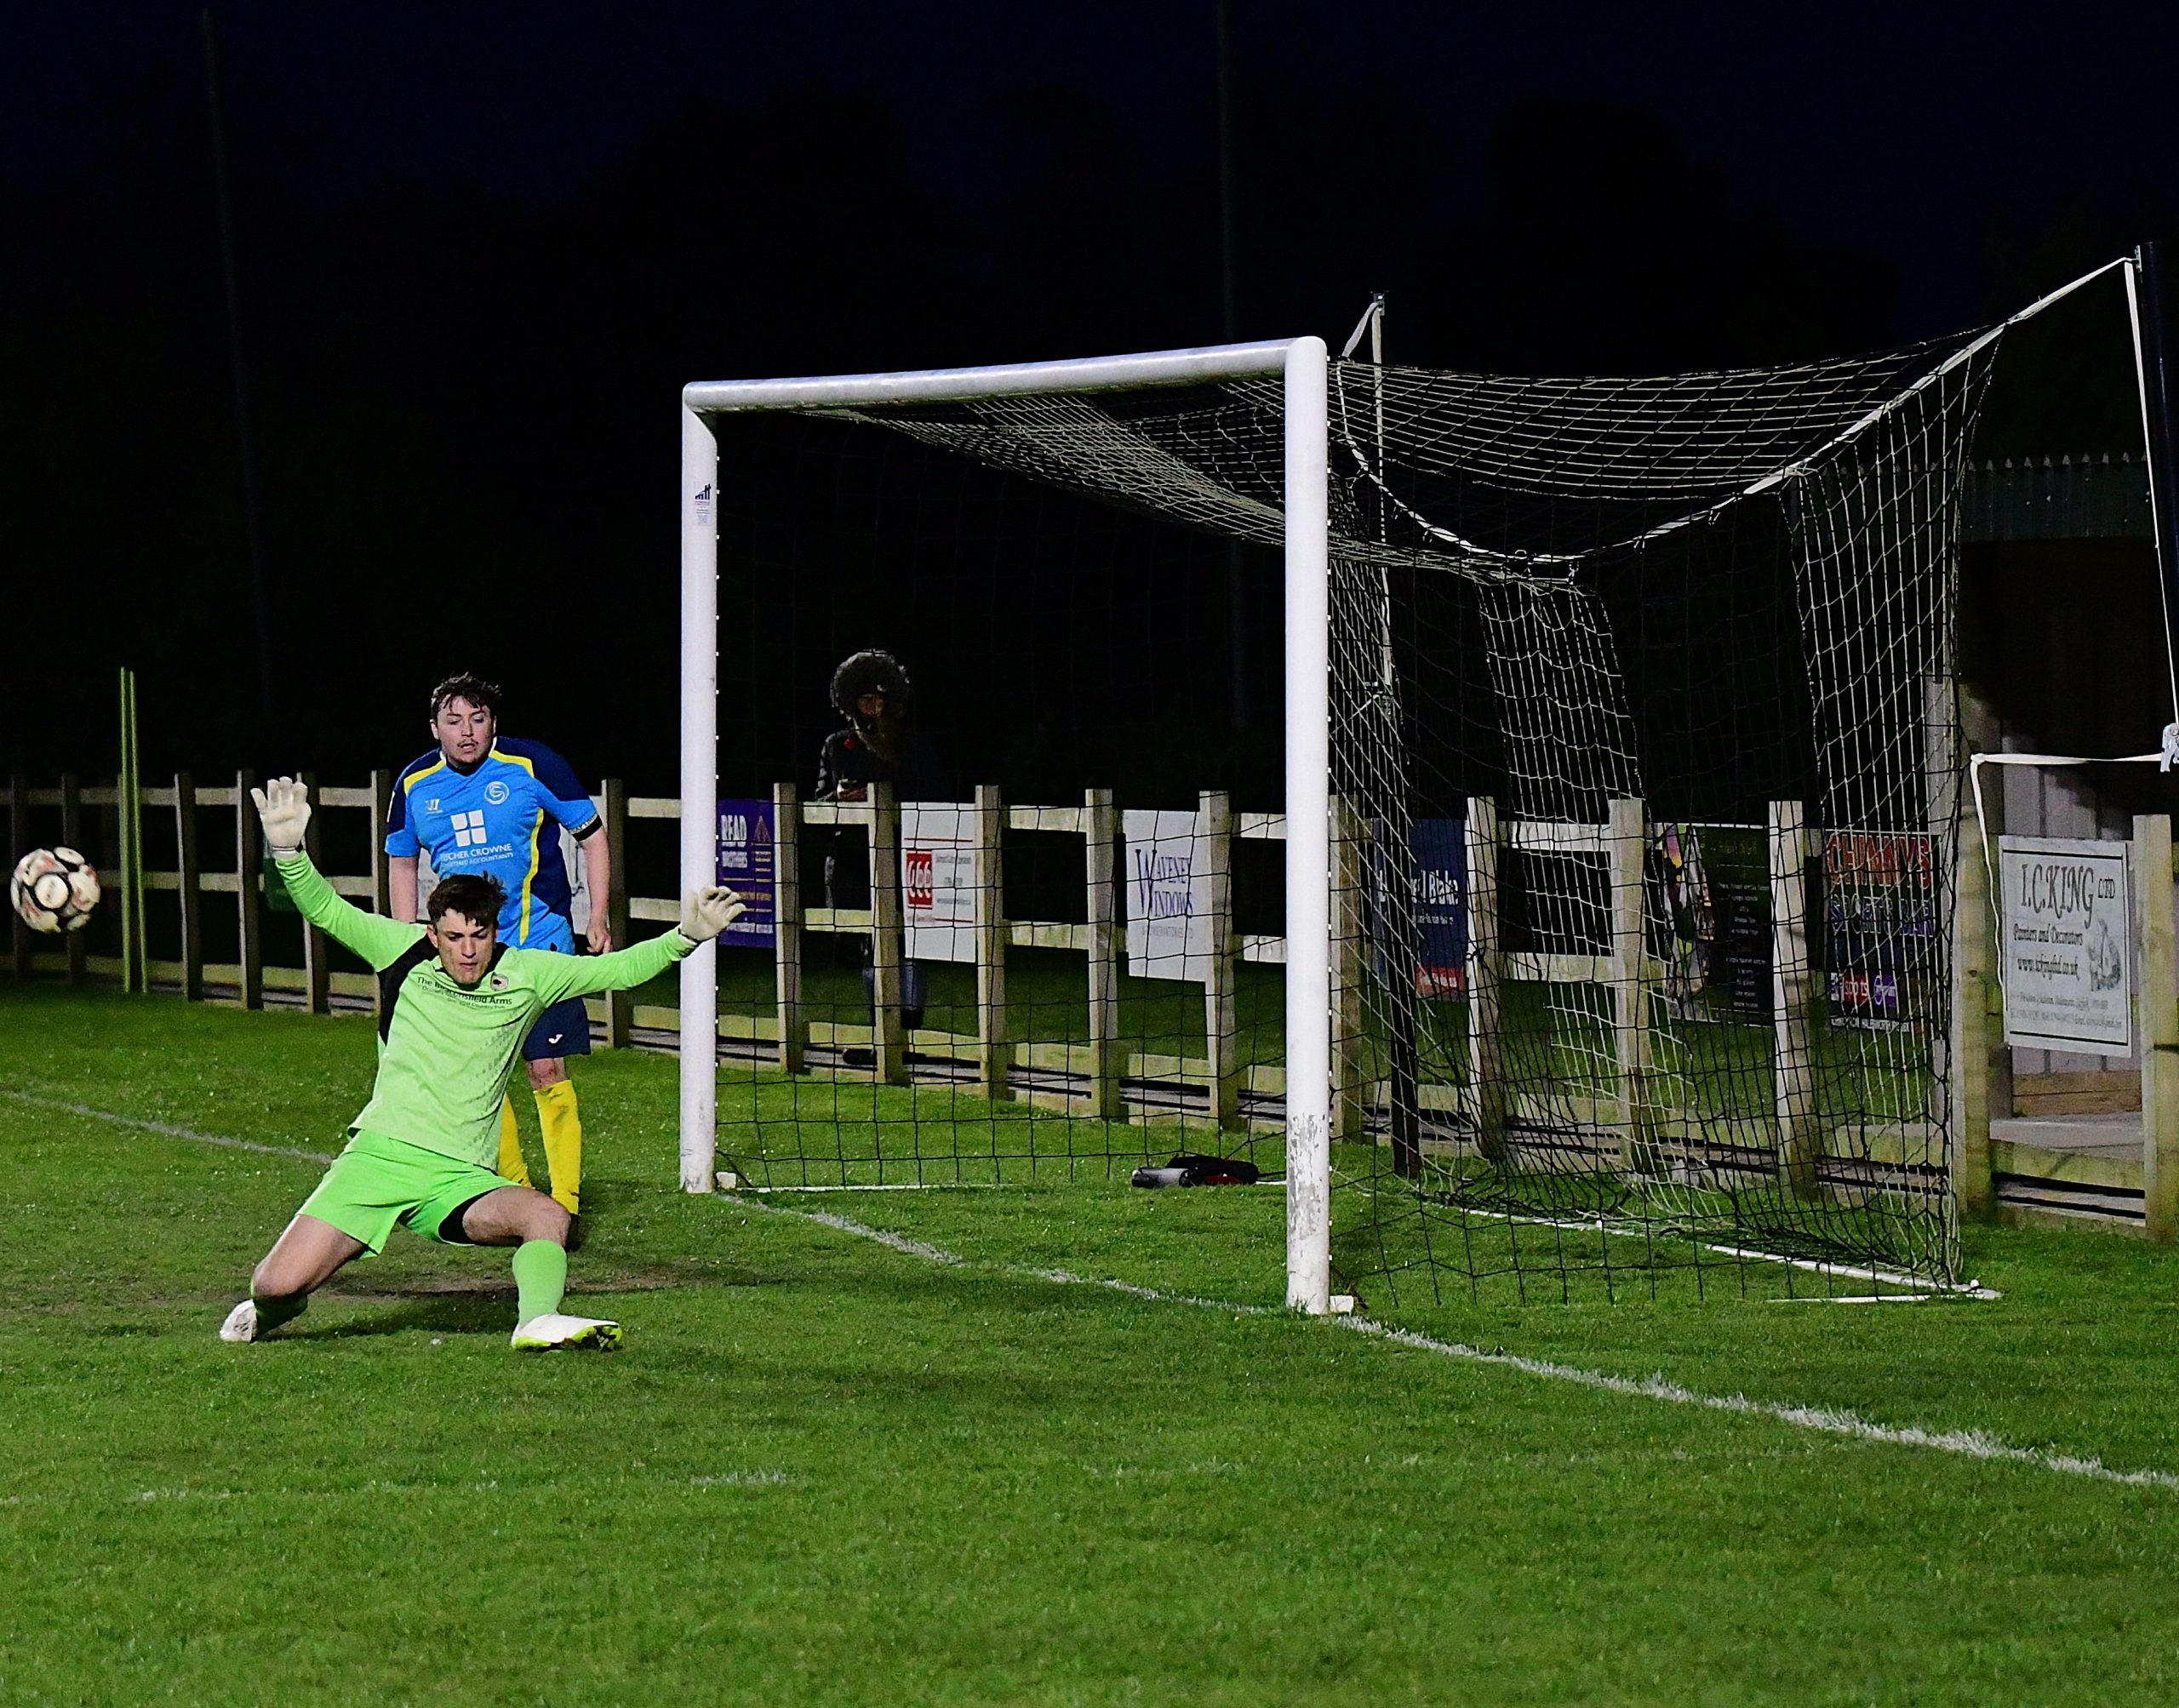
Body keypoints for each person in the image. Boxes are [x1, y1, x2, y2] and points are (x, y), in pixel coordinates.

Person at [221, 777, 742, 1350]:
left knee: (547, 1216)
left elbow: (615, 971)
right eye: (454, 937)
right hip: (378, 1160)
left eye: (479, 935)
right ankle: (275, 1308)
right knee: (273, 1283)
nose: (467, 950)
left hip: (459, 1178)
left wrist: (685, 937)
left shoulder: (529, 974)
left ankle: (536, 1320)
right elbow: (325, 909)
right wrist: (288, 851)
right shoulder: (399, 952)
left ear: (495, 931)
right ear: (433, 934)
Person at [386, 674, 606, 1242]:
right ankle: (515, 1190)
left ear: (494, 724)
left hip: (540, 947)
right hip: (467, 956)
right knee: (483, 1077)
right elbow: (402, 861)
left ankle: (565, 1204)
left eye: (478, 719)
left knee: (546, 1069)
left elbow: (593, 835)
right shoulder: (414, 783)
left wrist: (599, 913)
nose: (467, 732)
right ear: (434, 728)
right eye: (454, 721)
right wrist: (407, 936)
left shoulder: (534, 765)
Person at [815, 649, 951, 1034]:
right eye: (864, 700)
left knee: (909, 941)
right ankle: (880, 1029)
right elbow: (817, 803)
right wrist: (839, 799)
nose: (871, 707)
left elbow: (935, 795)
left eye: (877, 700)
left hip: (906, 855)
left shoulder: (913, 744)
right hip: (854, 860)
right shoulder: (837, 746)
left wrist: (887, 797)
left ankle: (910, 1027)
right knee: (868, 945)